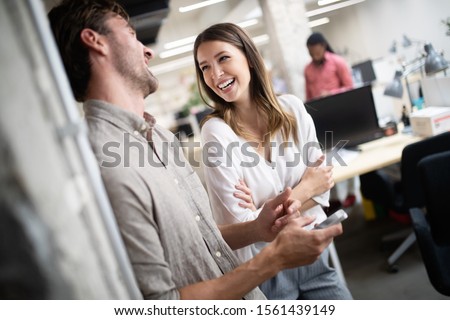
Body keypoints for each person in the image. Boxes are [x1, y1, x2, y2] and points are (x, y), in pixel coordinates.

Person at [47, 0, 343, 300]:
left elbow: (205, 237)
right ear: (95, 41)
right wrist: (274, 257)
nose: (147, 50)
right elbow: (161, 303)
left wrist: (257, 227)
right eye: (131, 34)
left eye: (224, 59)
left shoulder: (159, 137)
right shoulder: (103, 160)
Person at [194, 23, 352, 299]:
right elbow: (242, 224)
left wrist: (264, 209)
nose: (215, 74)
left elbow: (324, 187)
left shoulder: (292, 109)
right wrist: (305, 189)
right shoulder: (216, 133)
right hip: (264, 274)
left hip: (313, 257)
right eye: (204, 67)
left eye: (223, 58)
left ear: (249, 59)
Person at [304, 32, 356, 210]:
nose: (313, 56)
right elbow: (309, 96)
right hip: (322, 118)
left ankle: (351, 192)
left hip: (340, 115)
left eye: (315, 52)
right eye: (310, 53)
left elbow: (350, 88)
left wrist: (331, 94)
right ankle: (332, 196)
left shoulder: (338, 62)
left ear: (323, 46)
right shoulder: (308, 69)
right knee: (325, 158)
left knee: (346, 154)